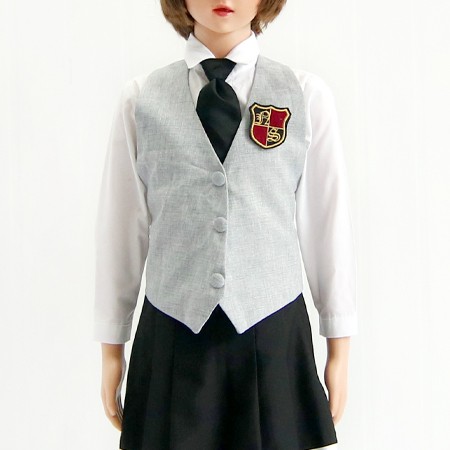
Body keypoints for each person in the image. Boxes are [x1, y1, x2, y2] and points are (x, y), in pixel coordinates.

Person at [93, 1, 358, 449]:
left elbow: (327, 225)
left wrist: (339, 343)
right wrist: (111, 346)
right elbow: (121, 229)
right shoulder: (140, 100)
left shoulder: (305, 95)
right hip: (173, 332)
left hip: (273, 332)